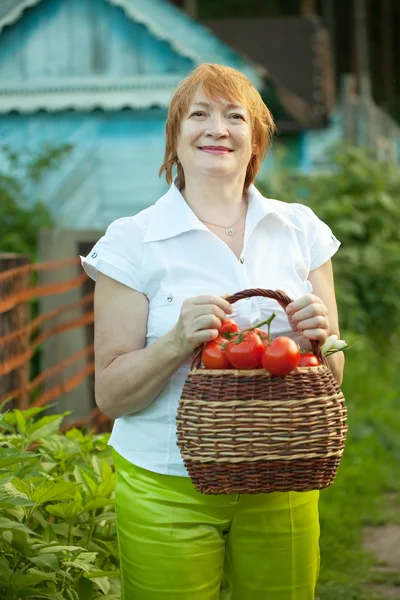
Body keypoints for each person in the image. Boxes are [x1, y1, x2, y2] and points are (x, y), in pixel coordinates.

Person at [81, 63, 345, 600]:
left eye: (234, 116)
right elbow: (110, 395)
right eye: (198, 114)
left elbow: (333, 379)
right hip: (166, 482)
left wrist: (321, 340)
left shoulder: (301, 230)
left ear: (257, 140)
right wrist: (176, 342)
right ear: (175, 140)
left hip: (284, 475)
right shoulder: (132, 242)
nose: (216, 129)